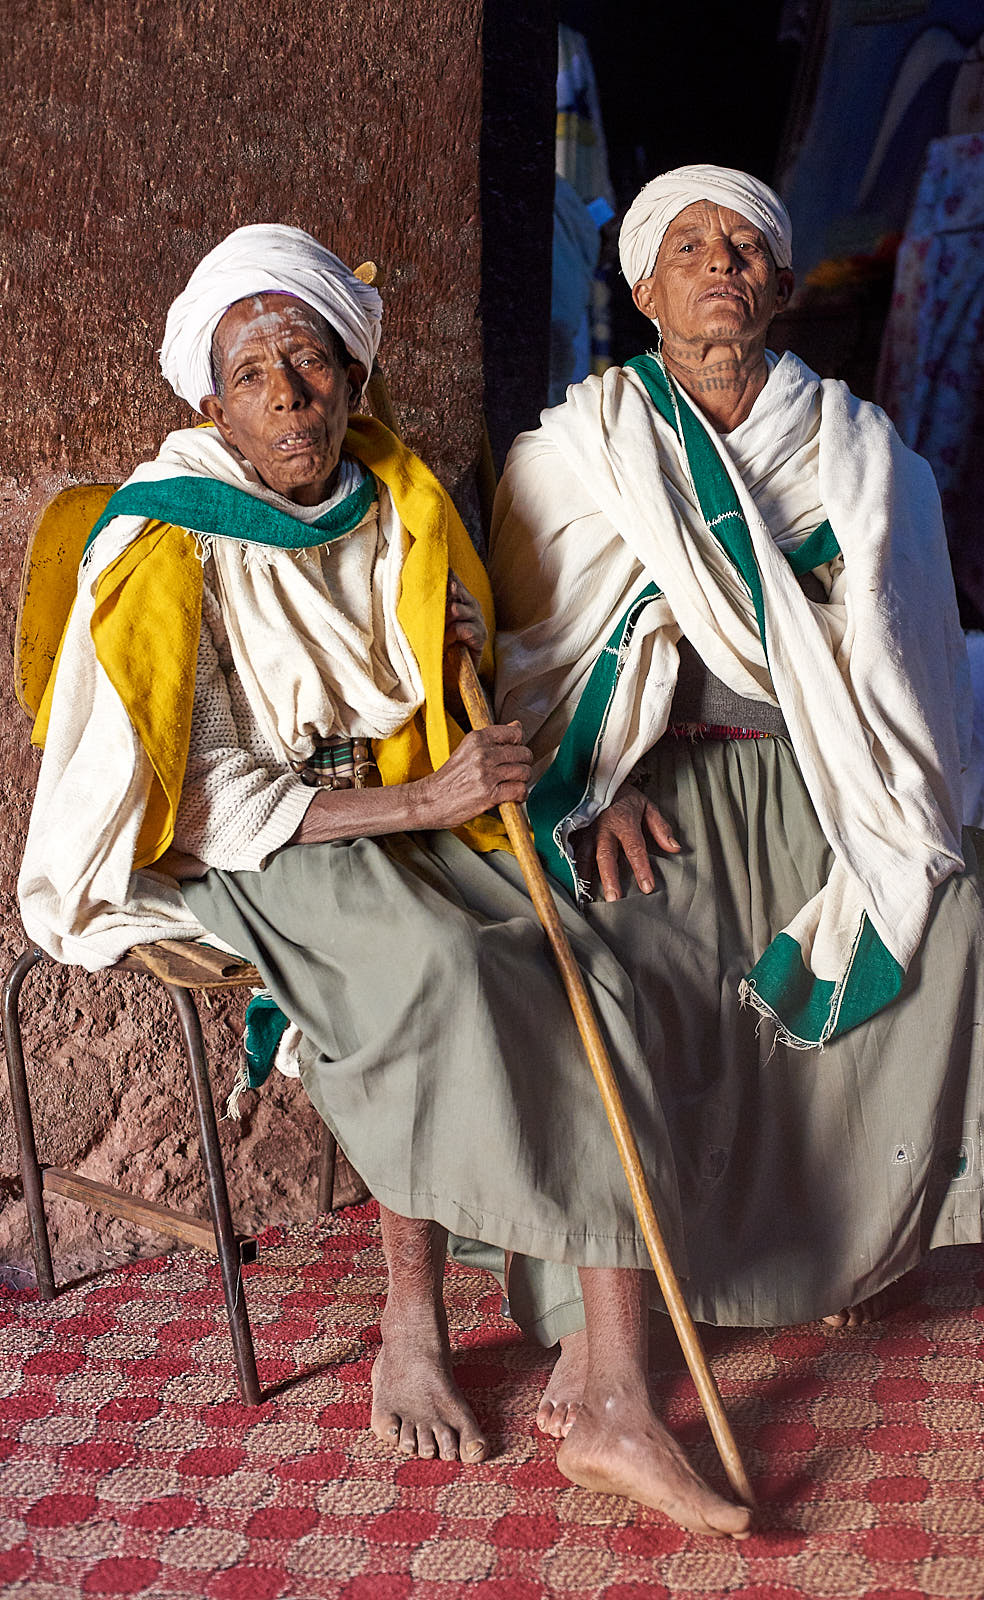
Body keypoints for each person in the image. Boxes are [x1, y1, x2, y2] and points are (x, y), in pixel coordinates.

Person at [19, 225, 753, 1538]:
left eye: (310, 358)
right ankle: (409, 1330)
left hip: (417, 814)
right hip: (266, 842)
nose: (290, 392)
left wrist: (468, 667)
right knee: (443, 973)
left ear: (354, 379)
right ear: (213, 404)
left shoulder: (396, 495)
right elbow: (187, 794)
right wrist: (423, 799)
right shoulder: (170, 538)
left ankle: (609, 1380)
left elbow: (464, 687)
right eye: (254, 370)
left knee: (592, 954)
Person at [486, 164, 984, 1436]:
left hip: (830, 783)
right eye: (689, 246)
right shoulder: (579, 452)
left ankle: (831, 1254)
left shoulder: (868, 457)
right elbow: (541, 665)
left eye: (744, 246)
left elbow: (906, 661)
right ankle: (596, 1317)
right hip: (652, 787)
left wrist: (866, 782)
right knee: (607, 954)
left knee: (949, 927)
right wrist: (595, 783)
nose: (720, 262)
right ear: (646, 290)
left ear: (777, 283)